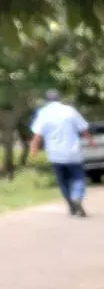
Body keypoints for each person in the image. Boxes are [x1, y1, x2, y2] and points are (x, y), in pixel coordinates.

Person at [29, 89, 91, 217]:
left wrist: (34, 149)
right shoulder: (69, 110)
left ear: (46, 100)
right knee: (78, 177)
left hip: (55, 154)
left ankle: (72, 206)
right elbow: (84, 129)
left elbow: (37, 135)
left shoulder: (44, 113)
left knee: (63, 181)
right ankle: (77, 197)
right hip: (73, 152)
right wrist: (90, 141)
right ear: (59, 99)